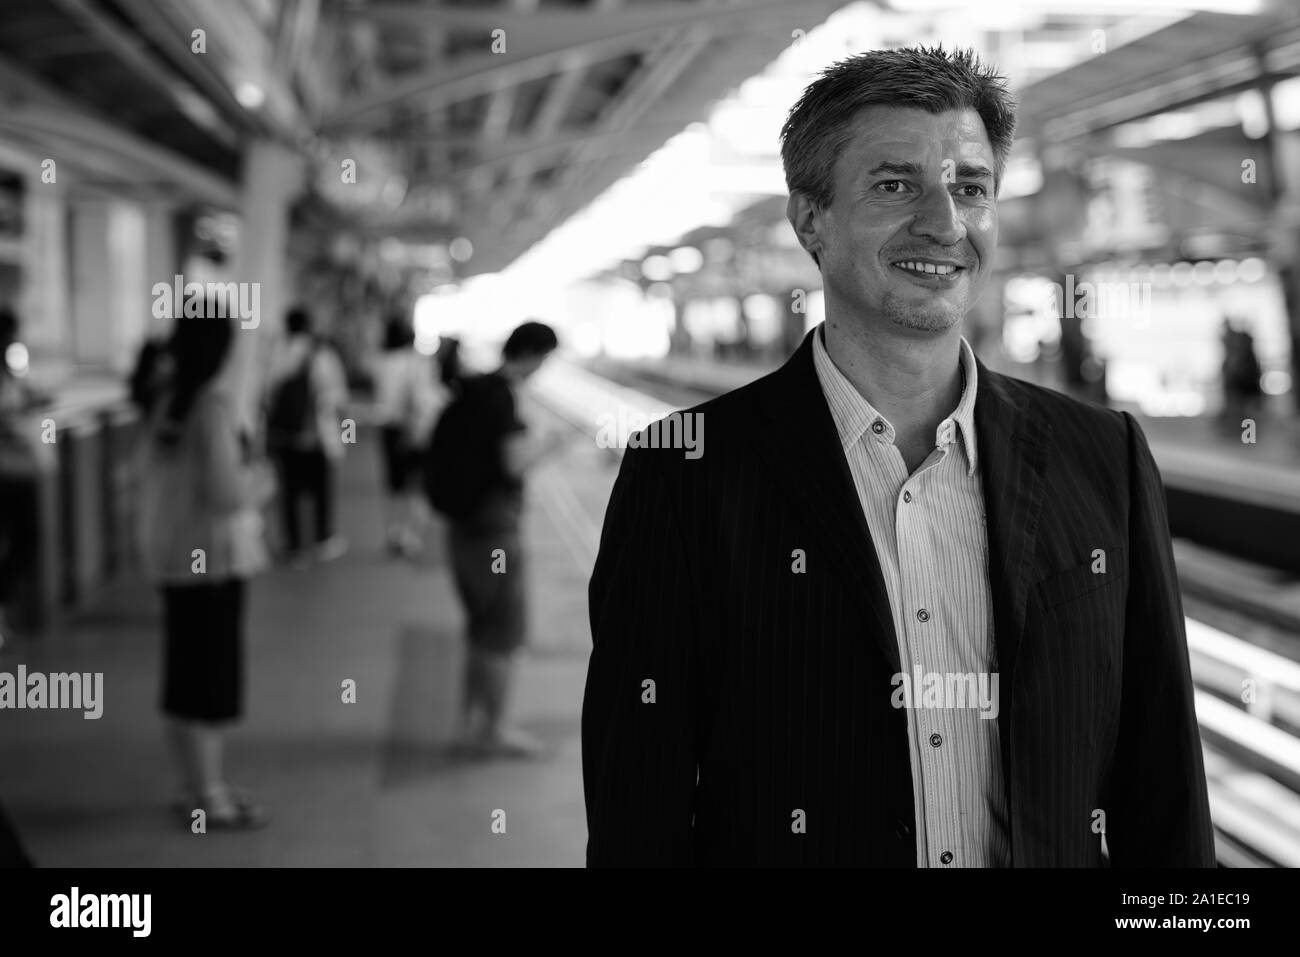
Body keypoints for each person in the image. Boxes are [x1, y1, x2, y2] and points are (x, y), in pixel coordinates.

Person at [582, 46, 1215, 867]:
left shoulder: (1105, 457)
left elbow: (1164, 784)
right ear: (810, 218)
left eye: (970, 188)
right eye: (895, 184)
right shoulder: (683, 475)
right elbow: (641, 814)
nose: (945, 223)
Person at [136, 302, 275, 829]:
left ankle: (193, 785)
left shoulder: (165, 398)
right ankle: (210, 796)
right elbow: (225, 493)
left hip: (172, 557)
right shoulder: (212, 405)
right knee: (211, 681)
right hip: (211, 562)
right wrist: (262, 483)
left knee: (183, 674)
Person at [430, 321, 565, 757]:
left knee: (479, 626)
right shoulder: (504, 396)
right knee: (503, 632)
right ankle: (495, 730)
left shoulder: (475, 388)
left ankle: (468, 725)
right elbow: (512, 464)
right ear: (532, 354)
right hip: (494, 532)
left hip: (463, 526)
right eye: (544, 358)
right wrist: (551, 447)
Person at [266, 306, 349, 566]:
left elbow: (267, 394)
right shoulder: (321, 353)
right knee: (321, 490)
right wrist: (345, 433)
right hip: (316, 436)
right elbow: (338, 395)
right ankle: (322, 538)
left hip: (285, 434)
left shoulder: (277, 353)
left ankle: (294, 545)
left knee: (289, 491)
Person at [369, 312, 444, 558]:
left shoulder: (381, 362)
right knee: (418, 486)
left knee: (394, 485)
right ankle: (412, 537)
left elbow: (379, 400)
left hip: (389, 429)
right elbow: (426, 400)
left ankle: (393, 534)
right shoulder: (419, 362)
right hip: (415, 430)